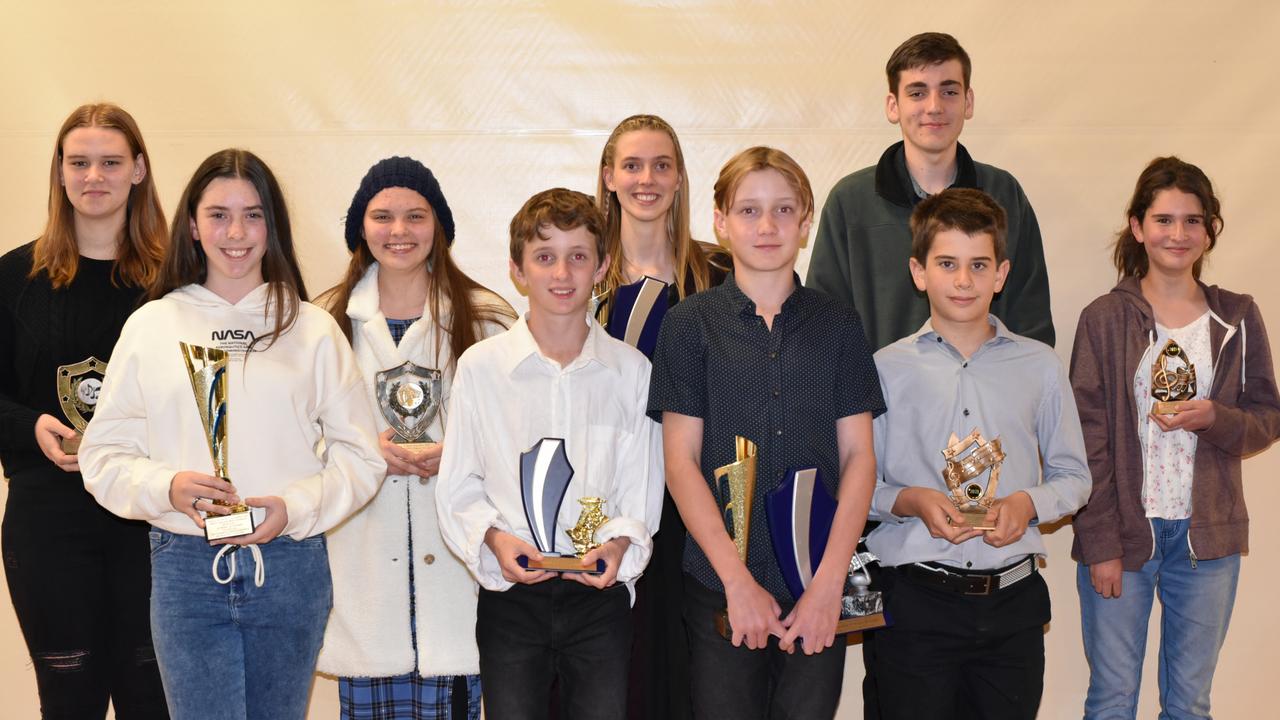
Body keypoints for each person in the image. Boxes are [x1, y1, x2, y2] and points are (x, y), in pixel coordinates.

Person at [79, 148, 386, 720]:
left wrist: (292, 508)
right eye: (218, 214)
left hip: (289, 564)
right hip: (185, 569)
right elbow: (103, 456)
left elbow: (361, 459)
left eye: (253, 214)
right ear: (192, 225)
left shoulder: (312, 329)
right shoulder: (152, 325)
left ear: (273, 226)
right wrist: (166, 486)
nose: (236, 232)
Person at [648, 146, 884, 719]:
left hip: (817, 583)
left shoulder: (840, 325)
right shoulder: (688, 325)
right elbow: (680, 464)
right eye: (749, 211)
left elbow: (860, 459)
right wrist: (738, 583)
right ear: (720, 223)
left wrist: (829, 587)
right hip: (719, 585)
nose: (767, 225)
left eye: (783, 210)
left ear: (805, 222)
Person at [435, 188, 662, 720]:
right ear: (518, 269)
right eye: (544, 257)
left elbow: (642, 484)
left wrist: (618, 545)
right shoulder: (480, 368)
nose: (562, 273)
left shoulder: (632, 373)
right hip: (510, 597)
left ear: (602, 266)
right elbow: (458, 483)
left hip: (599, 598)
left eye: (578, 257)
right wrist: (494, 537)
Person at [866, 187, 1090, 720]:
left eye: (978, 264)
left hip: (1012, 605)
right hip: (915, 603)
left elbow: (1074, 476)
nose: (963, 280)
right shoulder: (882, 369)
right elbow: (859, 487)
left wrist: (1028, 503)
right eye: (947, 263)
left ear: (1002, 273)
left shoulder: (1039, 366)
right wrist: (912, 500)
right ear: (919, 272)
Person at [1070, 157, 1280, 719]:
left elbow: (1267, 417)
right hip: (1124, 535)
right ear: (1137, 226)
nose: (1178, 234)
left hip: (1207, 541)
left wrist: (1216, 418)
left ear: (1210, 229)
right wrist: (1101, 543)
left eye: (1193, 220)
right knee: (1112, 700)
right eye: (1164, 219)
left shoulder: (1237, 316)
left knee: (1190, 704)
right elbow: (1087, 442)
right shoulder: (1103, 319)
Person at [317, 156, 516, 719]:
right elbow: (296, 437)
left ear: (440, 227)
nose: (399, 232)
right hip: (363, 570)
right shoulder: (324, 323)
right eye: (382, 217)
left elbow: (518, 433)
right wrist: (360, 451)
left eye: (415, 216)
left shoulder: (486, 319)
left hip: (457, 575)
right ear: (360, 227)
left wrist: (457, 454)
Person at [0, 102, 169, 719]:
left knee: (151, 698)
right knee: (69, 700)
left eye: (110, 162)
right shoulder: (14, 277)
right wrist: (28, 426)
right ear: (60, 172)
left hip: (152, 520)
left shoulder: (177, 280)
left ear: (139, 170)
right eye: (79, 162)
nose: (93, 176)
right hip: (49, 519)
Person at [593, 113, 730, 720]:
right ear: (609, 177)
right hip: (603, 499)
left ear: (678, 179)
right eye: (632, 165)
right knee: (614, 668)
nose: (646, 179)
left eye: (661, 165)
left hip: (693, 500)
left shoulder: (721, 275)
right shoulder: (579, 276)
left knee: (686, 667)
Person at [805, 31, 1053, 351]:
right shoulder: (851, 203)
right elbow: (823, 327)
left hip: (986, 398)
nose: (934, 107)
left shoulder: (1005, 195)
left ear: (968, 101)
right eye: (918, 93)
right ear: (893, 106)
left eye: (949, 91)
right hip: (880, 399)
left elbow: (1031, 323)